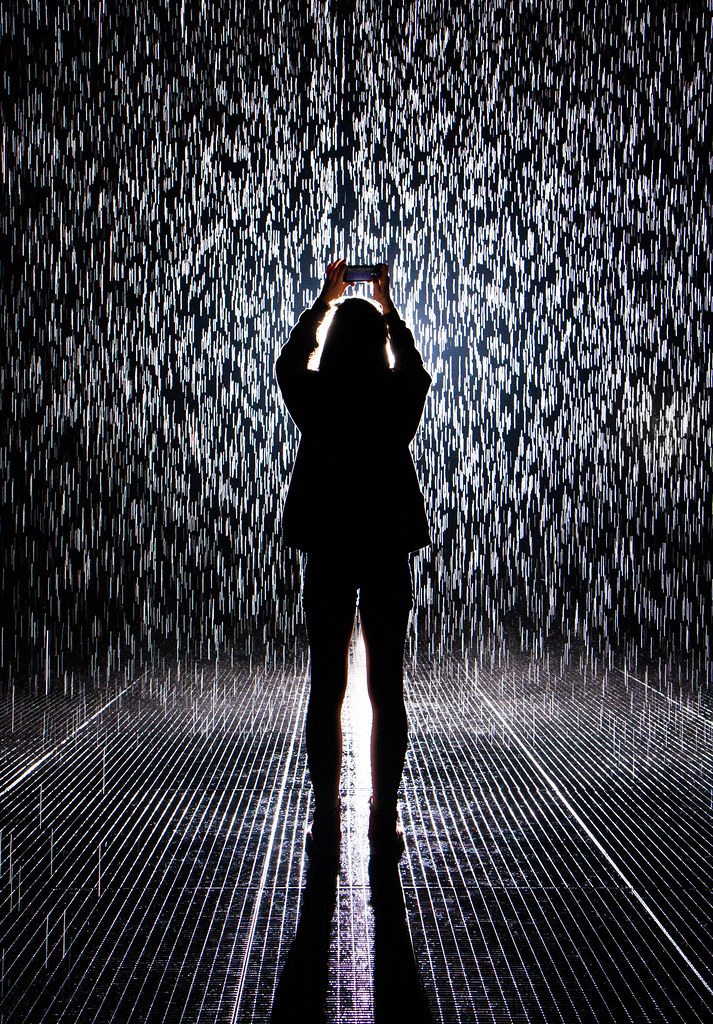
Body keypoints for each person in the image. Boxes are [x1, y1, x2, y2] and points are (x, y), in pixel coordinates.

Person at [276, 259, 431, 859]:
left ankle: (325, 815)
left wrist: (323, 301)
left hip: (330, 545)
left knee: (327, 686)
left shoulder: (317, 398)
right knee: (386, 687)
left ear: (333, 347)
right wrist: (388, 307)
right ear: (380, 348)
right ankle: (383, 814)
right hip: (387, 544)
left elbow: (290, 363)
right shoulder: (394, 399)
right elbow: (414, 371)